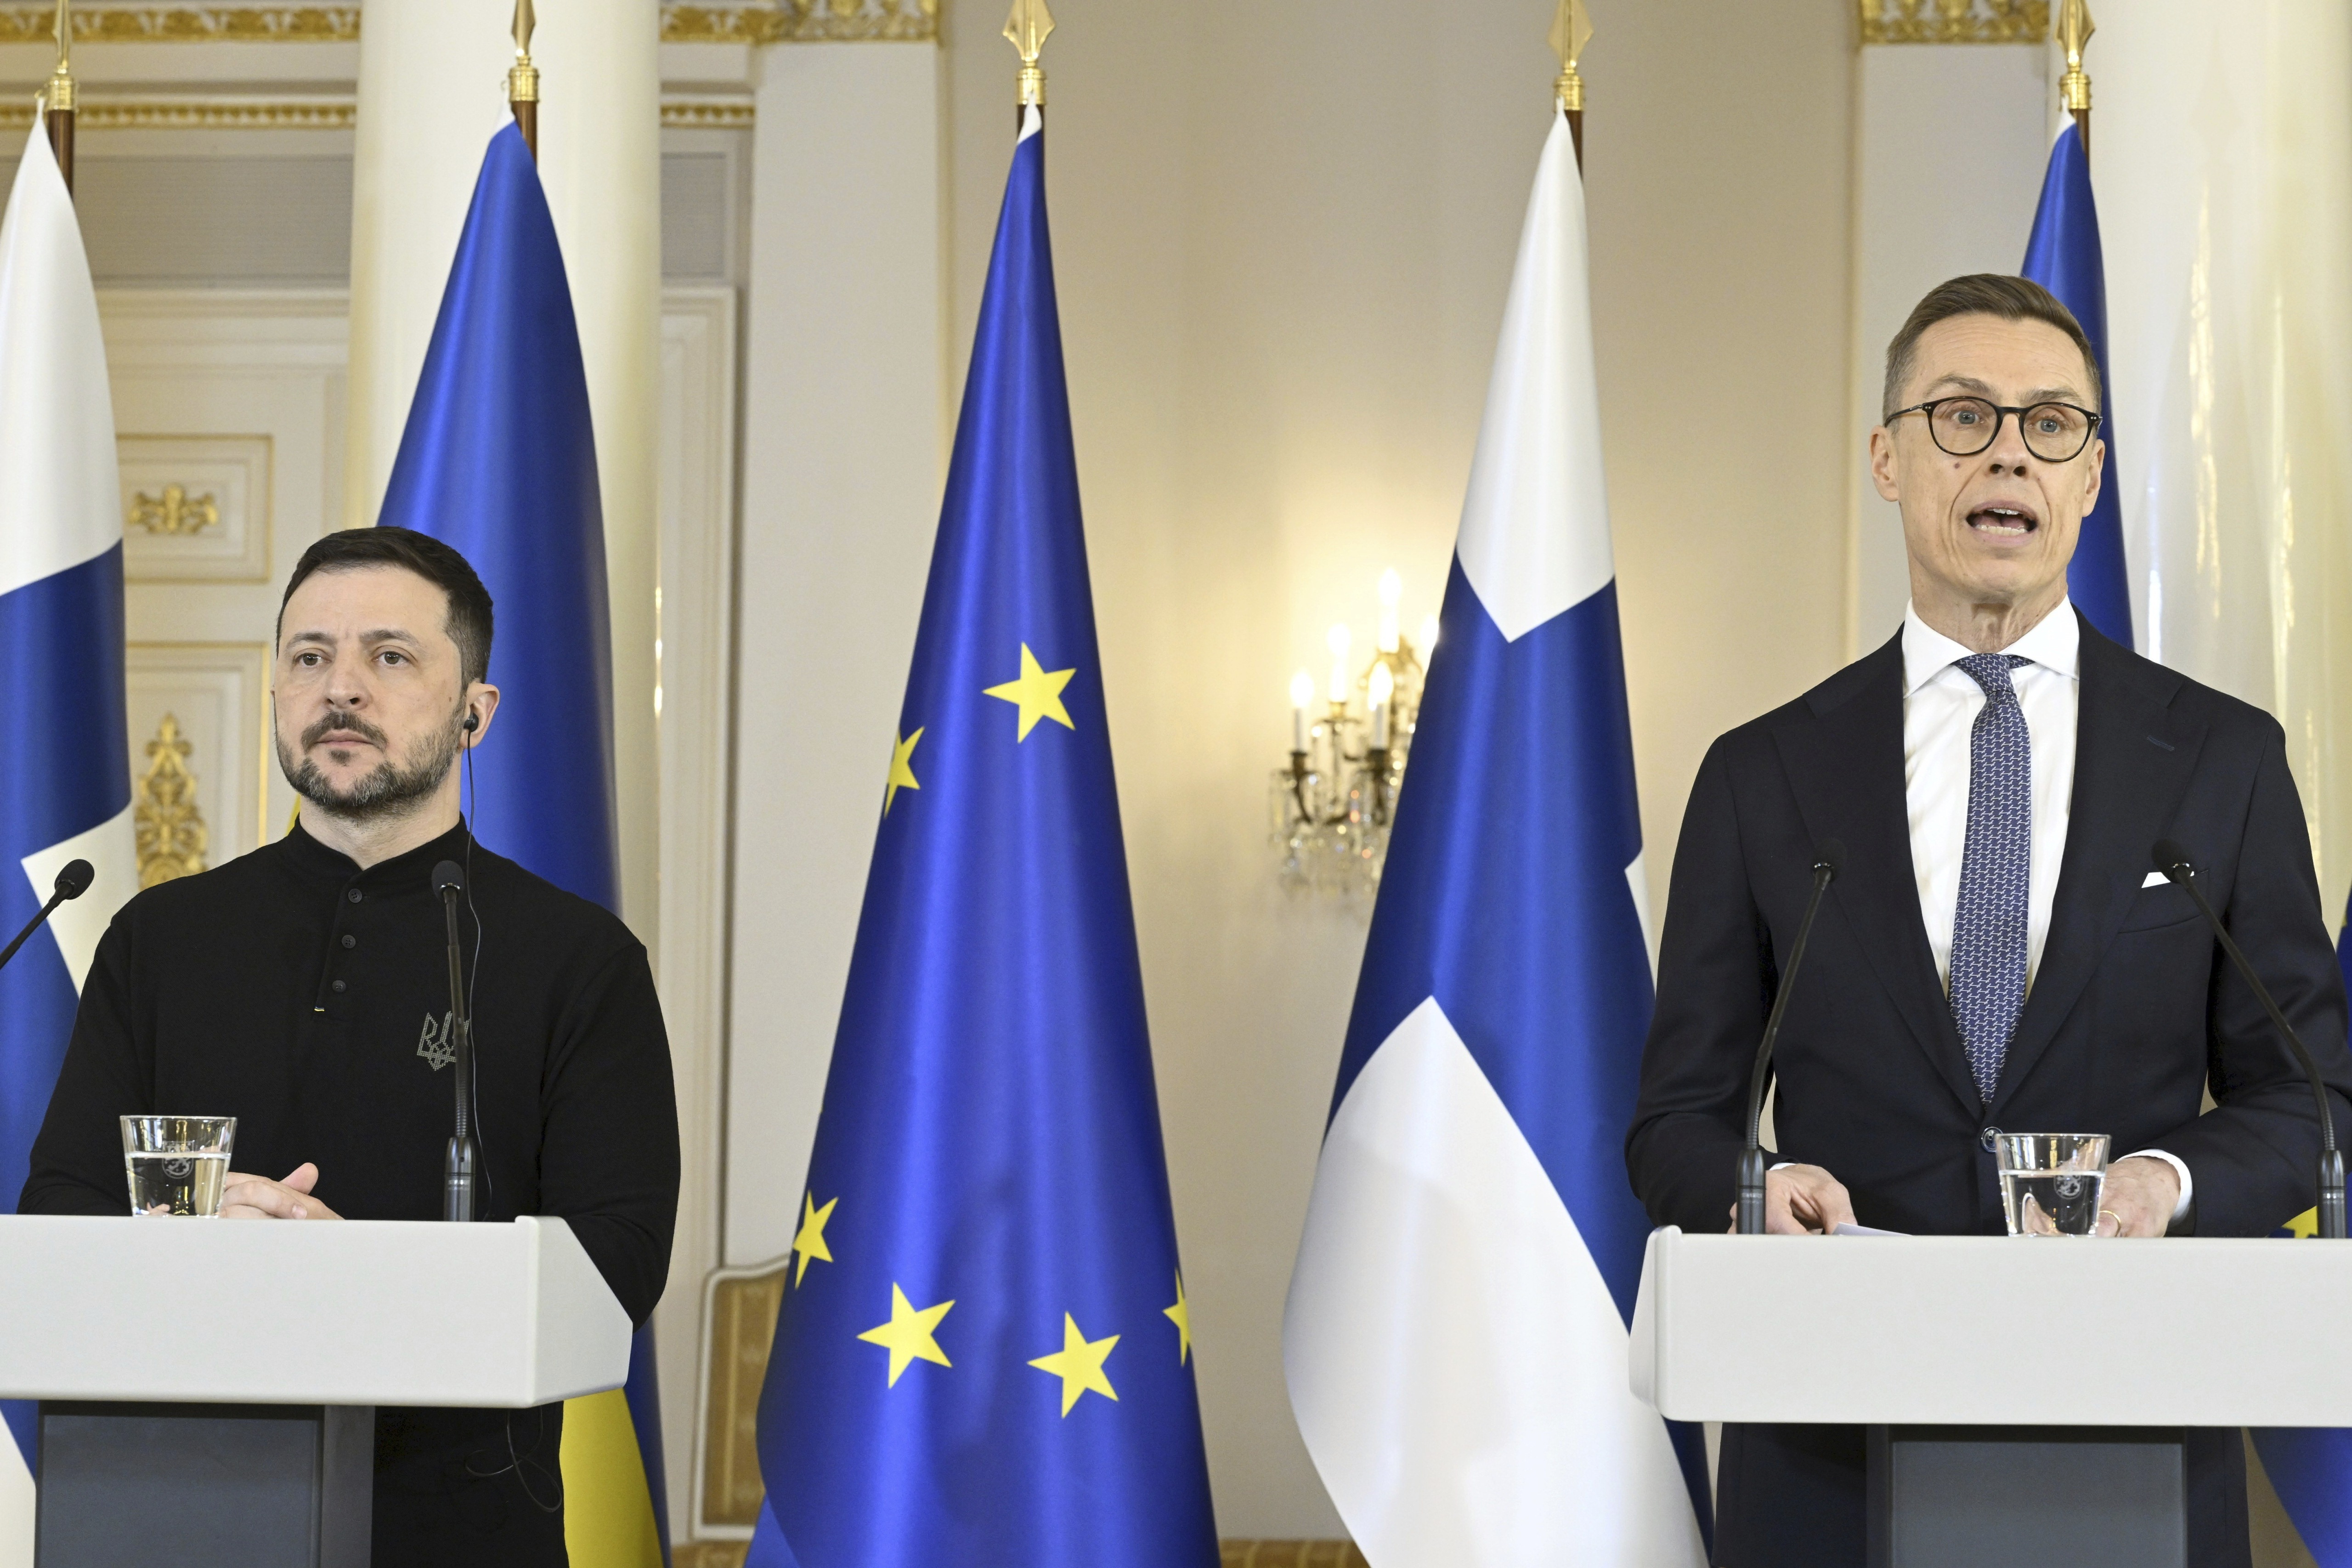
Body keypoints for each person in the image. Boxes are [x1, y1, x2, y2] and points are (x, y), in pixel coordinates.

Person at [1626, 274, 2352, 1568]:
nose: (2010, 448)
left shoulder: (2221, 760)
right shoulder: (1763, 773)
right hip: (1828, 1451)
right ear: (1888, 459)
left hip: (2126, 1426)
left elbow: (2312, 1095)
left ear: (2090, 476)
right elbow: (1677, 1117)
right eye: (1962, 415)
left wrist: (2164, 1179)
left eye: (2052, 423)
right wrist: (1761, 1184)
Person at [19, 526, 680, 1568]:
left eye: (391, 656)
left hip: (456, 1521)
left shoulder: (577, 958)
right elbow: (61, 1208)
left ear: (476, 712)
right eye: (309, 656)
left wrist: (350, 1274)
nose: (342, 689)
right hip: (164, 1504)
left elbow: (620, 1261)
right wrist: (205, 1219)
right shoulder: (161, 937)